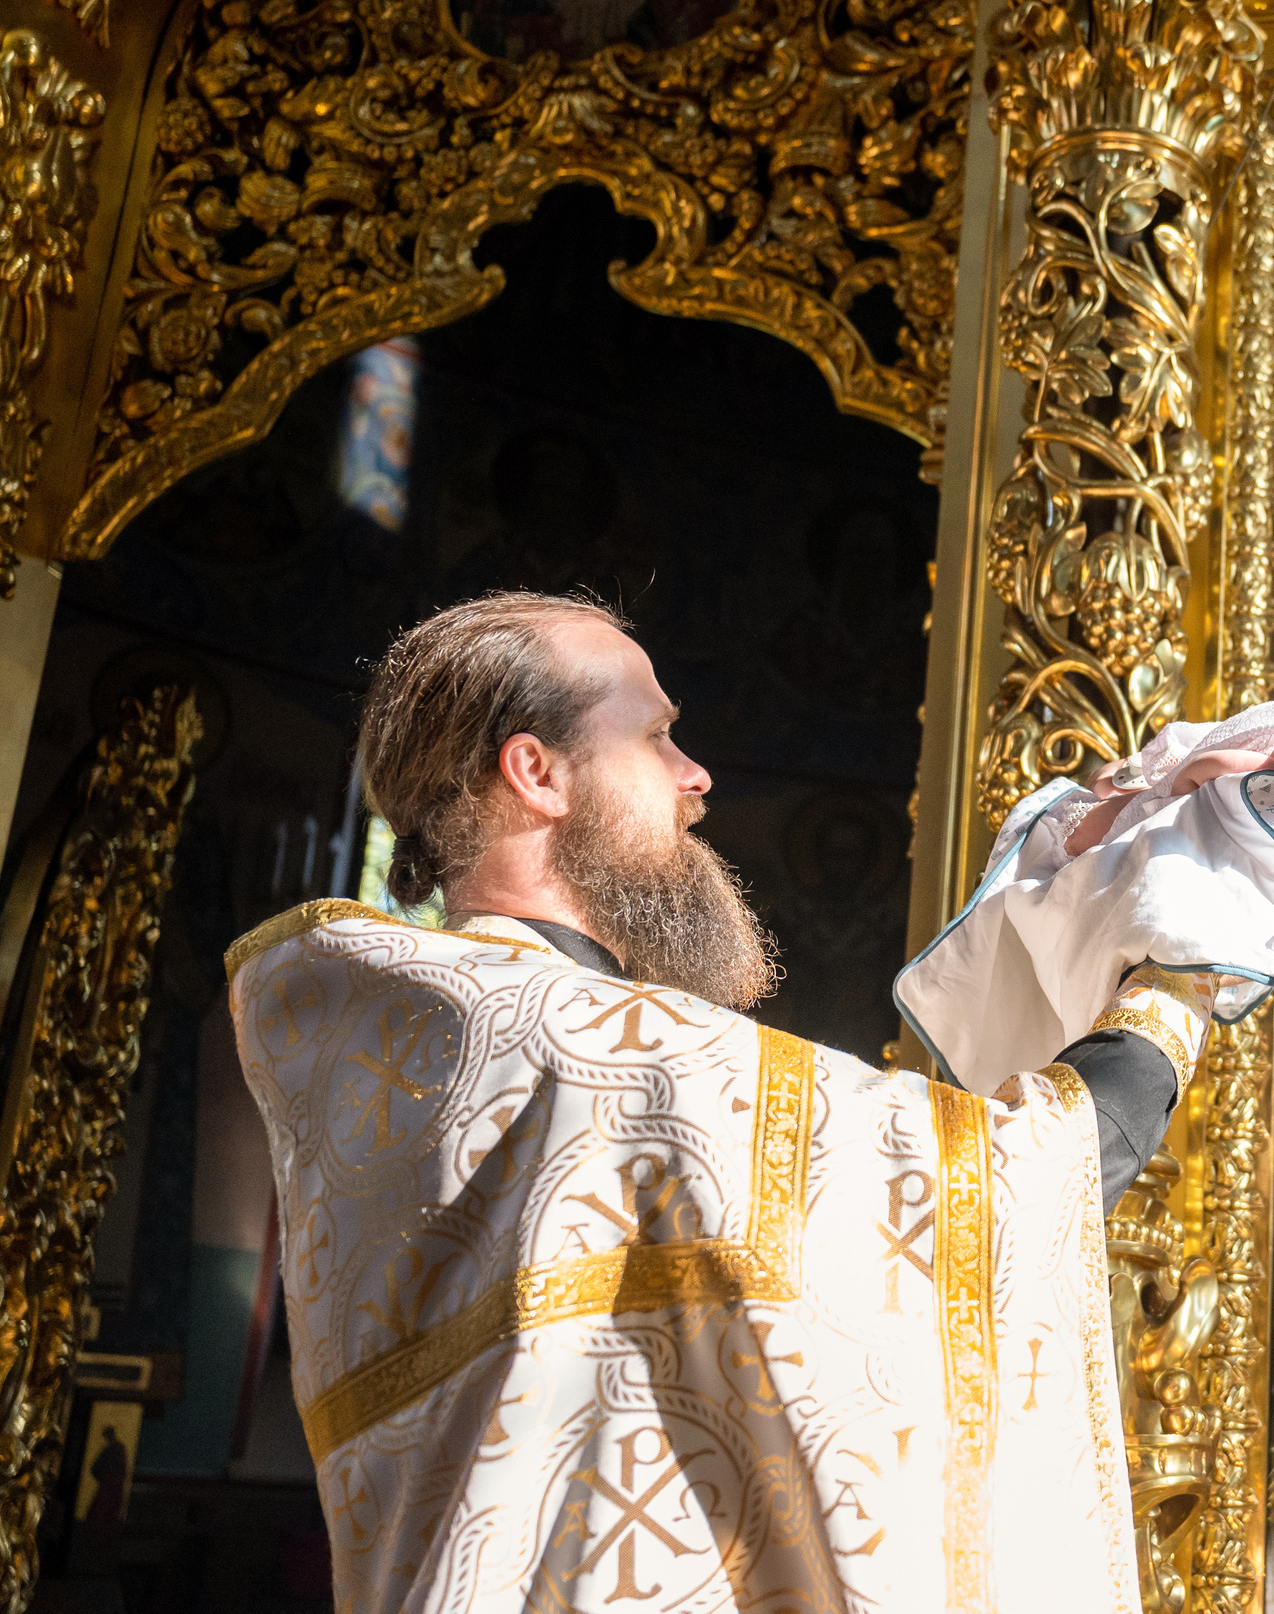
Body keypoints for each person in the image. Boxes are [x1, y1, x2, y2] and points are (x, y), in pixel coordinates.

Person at [231, 592, 1172, 1612]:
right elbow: (990, 1188)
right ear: (534, 772)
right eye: (658, 736)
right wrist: (1188, 973)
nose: (698, 778)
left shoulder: (420, 1045)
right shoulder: (592, 1055)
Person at [897, 658, 1274, 1096]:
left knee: (1237, 774)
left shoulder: (1095, 828)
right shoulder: (1099, 828)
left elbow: (1122, 799)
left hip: (1269, 848)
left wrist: (1128, 786)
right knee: (1248, 777)